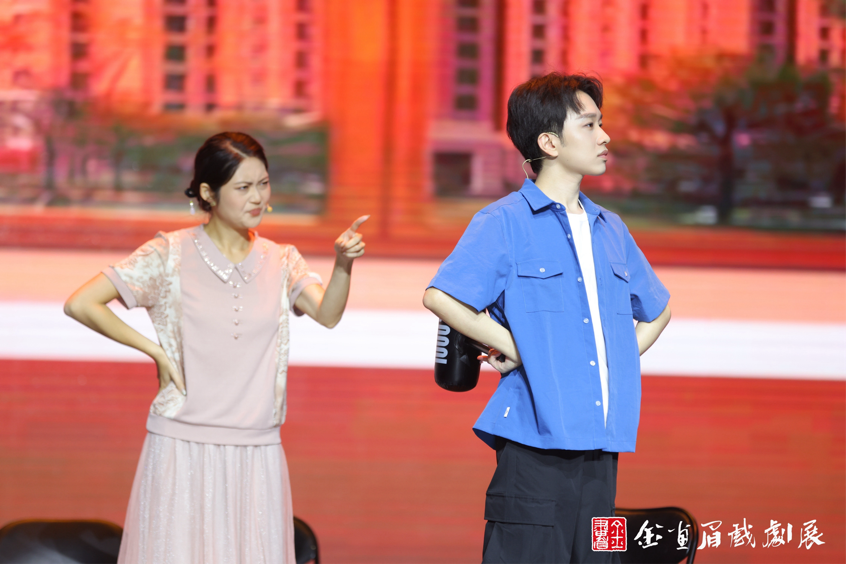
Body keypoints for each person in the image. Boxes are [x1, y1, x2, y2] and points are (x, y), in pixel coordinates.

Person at [64, 132, 368, 564]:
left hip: (256, 451)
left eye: (263, 183)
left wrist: (343, 264)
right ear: (208, 193)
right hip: (179, 447)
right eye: (243, 187)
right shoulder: (169, 254)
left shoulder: (282, 260)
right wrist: (155, 351)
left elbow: (328, 314)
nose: (258, 197)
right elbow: (81, 303)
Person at [423, 73, 671, 563]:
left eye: (602, 124)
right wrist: (515, 347)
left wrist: (614, 359)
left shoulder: (611, 228)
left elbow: (657, 310)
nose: (605, 137)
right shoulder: (503, 221)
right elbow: (441, 296)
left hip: (603, 451)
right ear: (549, 142)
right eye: (590, 125)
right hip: (533, 451)